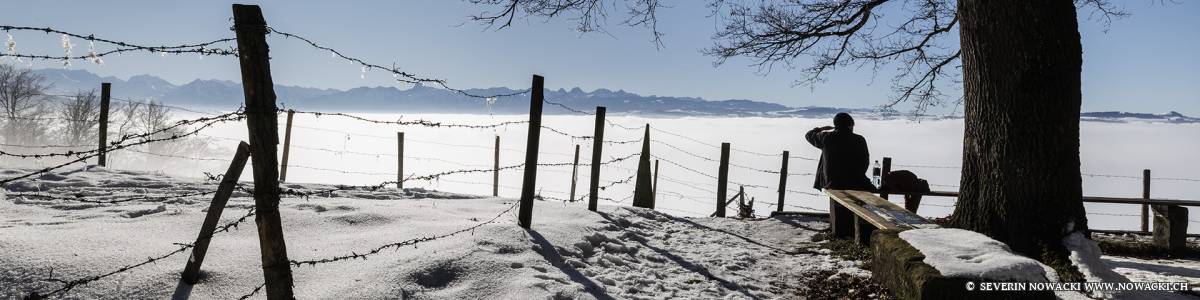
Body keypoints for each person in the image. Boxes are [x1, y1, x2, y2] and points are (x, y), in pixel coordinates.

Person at [806, 113, 875, 191]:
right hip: (856, 183)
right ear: (850, 125)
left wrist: (820, 129)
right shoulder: (859, 139)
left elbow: (809, 135)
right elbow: (865, 162)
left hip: (833, 184)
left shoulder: (826, 137)